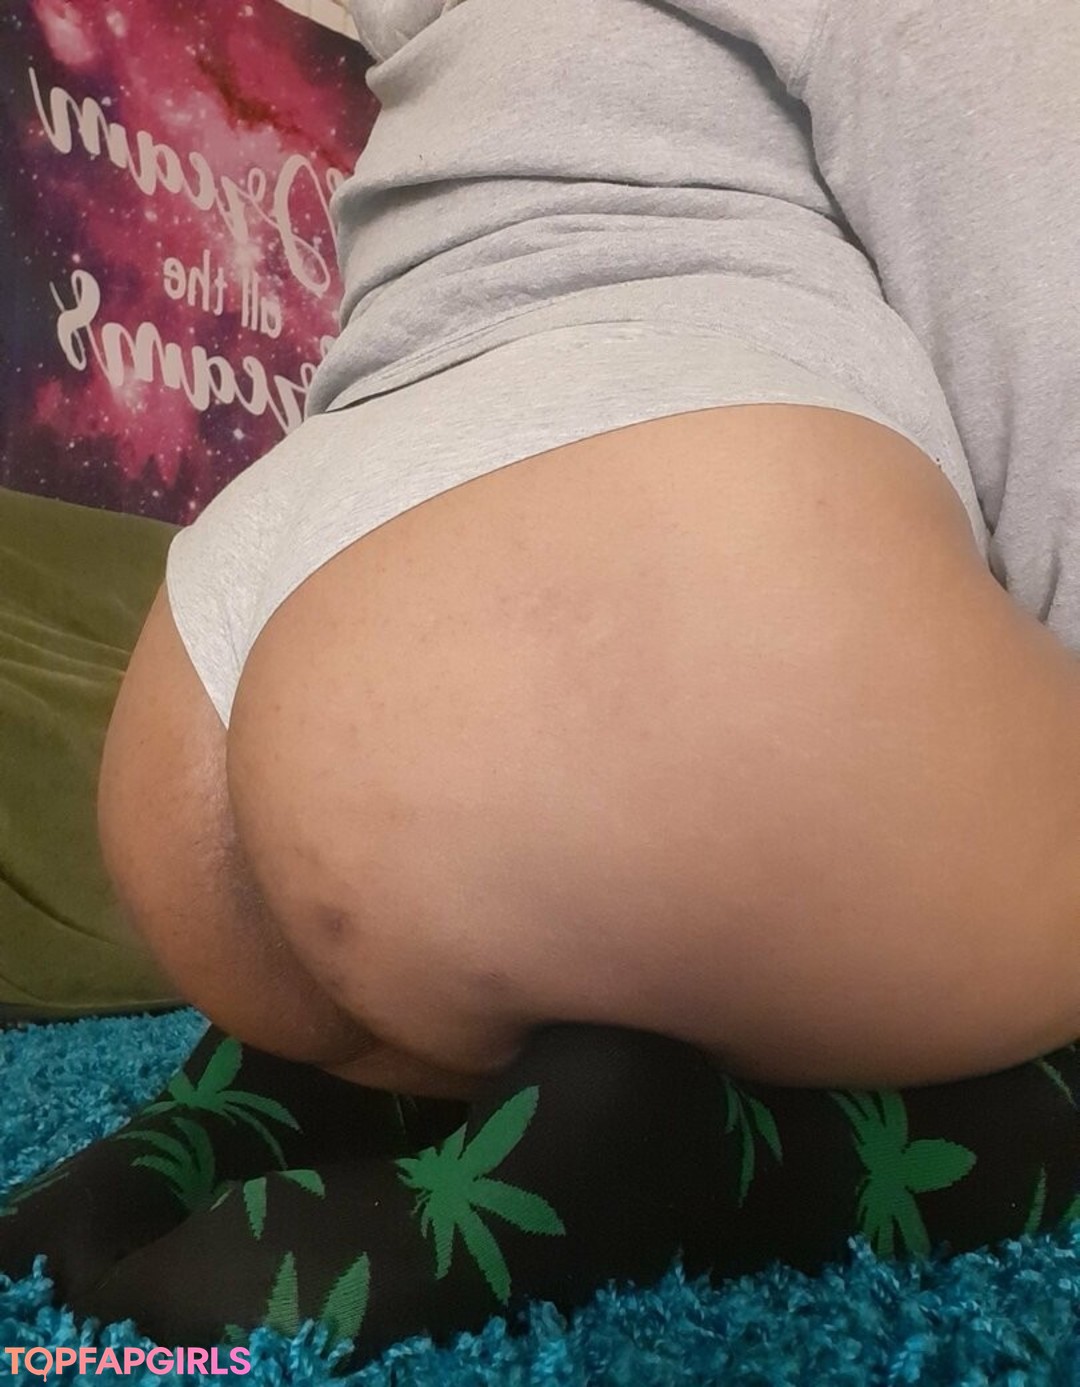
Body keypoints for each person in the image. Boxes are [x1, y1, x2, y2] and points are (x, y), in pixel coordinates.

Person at [3, 0, 1079, 1368]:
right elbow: (1037, 280)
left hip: (221, 657)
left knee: (484, 940)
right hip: (606, 616)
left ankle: (281, 1089)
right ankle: (704, 1155)